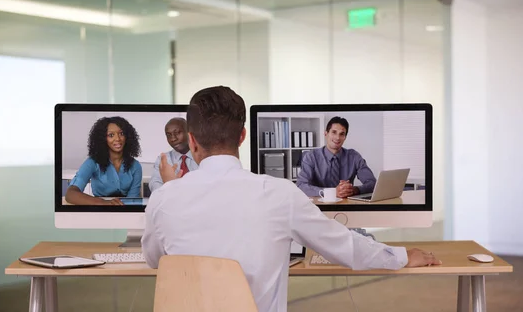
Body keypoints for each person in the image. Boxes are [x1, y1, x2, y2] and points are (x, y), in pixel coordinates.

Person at [141, 86, 440, 312]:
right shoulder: (280, 194)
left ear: (191, 140)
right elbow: (344, 246)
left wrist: (171, 189)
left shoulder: (164, 198)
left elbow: (156, 260)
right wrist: (401, 255)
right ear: (243, 136)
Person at [65, 116, 142, 206]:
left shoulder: (135, 166)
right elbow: (70, 195)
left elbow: (132, 201)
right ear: (102, 139)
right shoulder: (92, 162)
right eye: (111, 135)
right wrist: (105, 203)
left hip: (125, 211)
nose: (117, 139)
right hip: (99, 210)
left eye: (121, 133)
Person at [296, 116, 376, 198]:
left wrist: (355, 190)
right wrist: (331, 192)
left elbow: (372, 183)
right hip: (320, 206)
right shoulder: (311, 157)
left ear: (345, 137)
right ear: (326, 133)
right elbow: (301, 186)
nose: (337, 138)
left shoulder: (354, 157)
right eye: (334, 132)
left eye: (342, 134)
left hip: (347, 206)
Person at [148, 117, 198, 193]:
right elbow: (155, 185)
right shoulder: (163, 159)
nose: (173, 139)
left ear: (189, 132)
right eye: (168, 135)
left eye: (177, 133)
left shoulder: (202, 156)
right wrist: (170, 186)